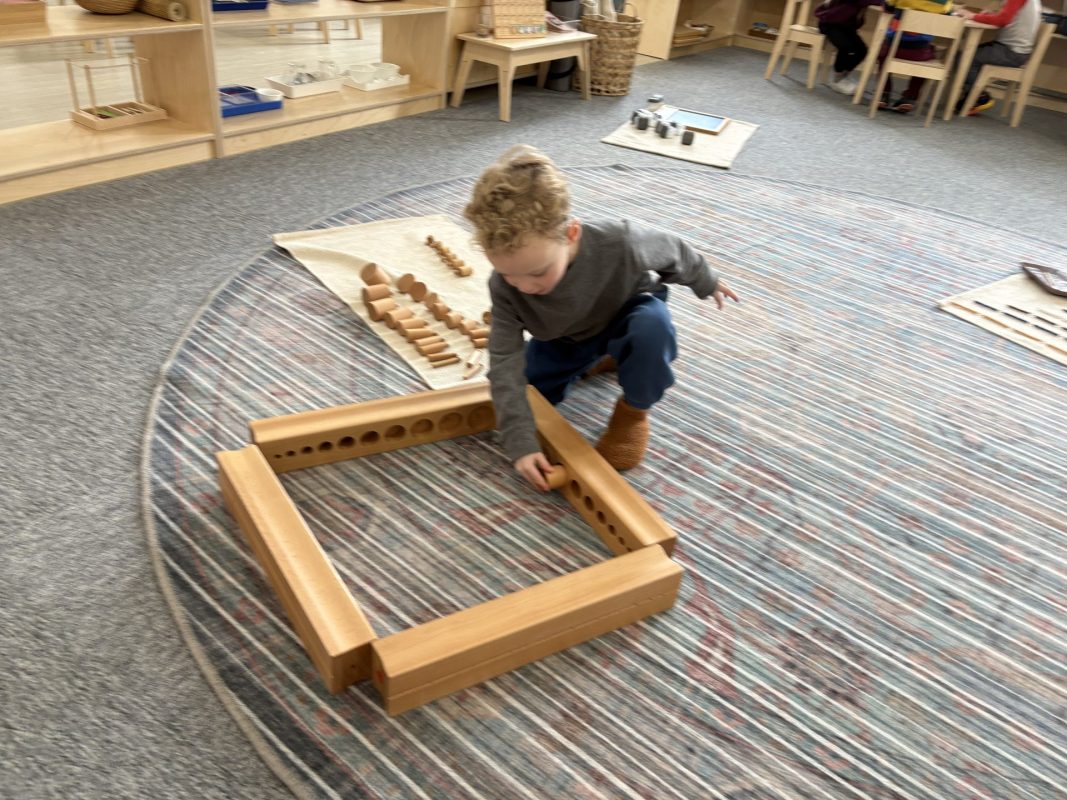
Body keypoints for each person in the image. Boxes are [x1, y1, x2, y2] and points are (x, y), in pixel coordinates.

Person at [463, 145, 740, 491]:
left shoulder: (620, 241)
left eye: (537, 272)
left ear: (571, 234)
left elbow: (674, 250)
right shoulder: (505, 288)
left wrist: (705, 280)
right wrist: (520, 442)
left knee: (651, 330)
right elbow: (504, 361)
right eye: (509, 275)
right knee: (525, 397)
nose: (525, 287)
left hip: (628, 314)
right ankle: (602, 358)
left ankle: (633, 413)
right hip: (567, 338)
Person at [954, 0, 1043, 115]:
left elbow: (1003, 20)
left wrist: (972, 16)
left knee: (966, 57)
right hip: (1015, 50)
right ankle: (974, 95)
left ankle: (979, 98)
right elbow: (1009, 17)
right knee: (968, 53)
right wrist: (989, 15)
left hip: (1011, 52)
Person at [878, 0, 953, 113]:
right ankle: (911, 96)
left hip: (892, 50)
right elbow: (948, 18)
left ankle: (884, 93)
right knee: (928, 58)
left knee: (882, 53)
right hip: (919, 53)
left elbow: (887, 8)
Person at [815, 0, 885, 95]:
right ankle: (837, 78)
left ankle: (843, 76)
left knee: (862, 50)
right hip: (831, 23)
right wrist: (884, 2)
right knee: (846, 47)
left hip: (847, 27)